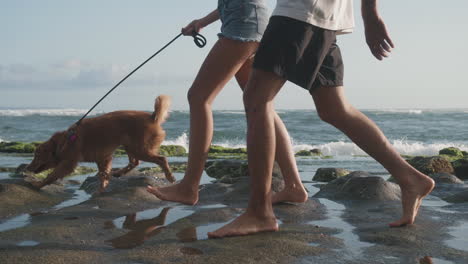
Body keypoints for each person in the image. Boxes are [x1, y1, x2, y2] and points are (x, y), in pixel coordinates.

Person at [208, 0, 436, 238]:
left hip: (301, 13)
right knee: (334, 108)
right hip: (321, 17)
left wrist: (371, 16)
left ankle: (259, 212)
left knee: (256, 99)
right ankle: (410, 178)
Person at [147, 0, 308, 205]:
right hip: (248, 20)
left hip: (243, 22)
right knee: (260, 105)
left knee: (199, 97)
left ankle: (189, 187)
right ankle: (294, 186)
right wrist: (203, 21)